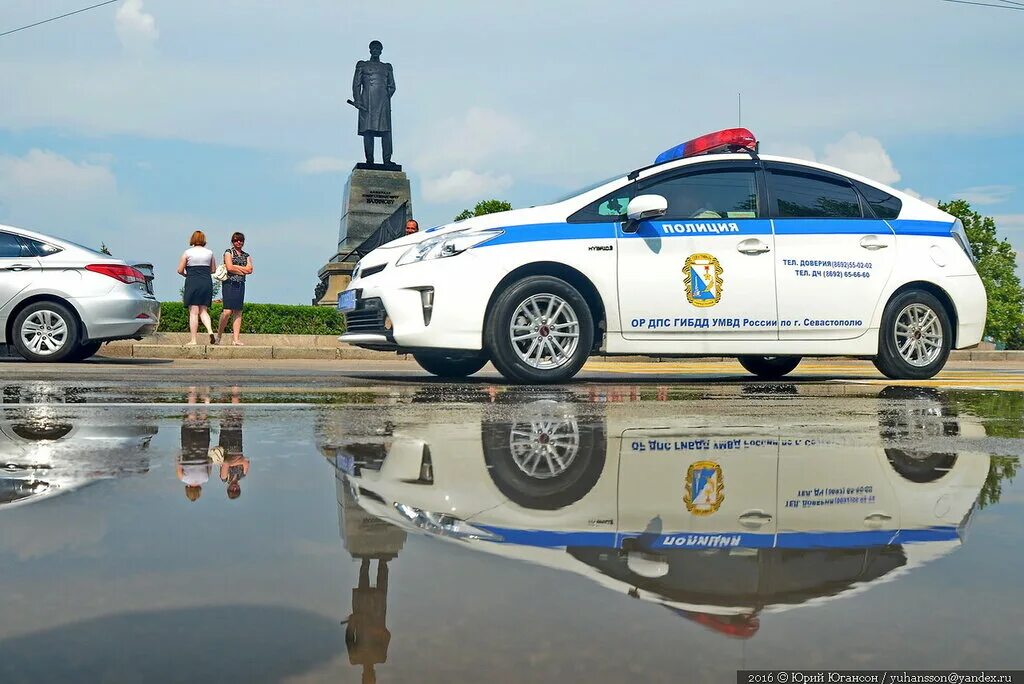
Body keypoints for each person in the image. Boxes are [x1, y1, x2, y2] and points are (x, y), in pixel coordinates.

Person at [352, 40, 396, 166]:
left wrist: (386, 99)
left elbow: (392, 86)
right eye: (374, 49)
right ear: (370, 50)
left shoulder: (387, 67)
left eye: (378, 49)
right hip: (367, 102)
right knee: (368, 131)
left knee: (386, 132)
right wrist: (358, 100)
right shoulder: (362, 65)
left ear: (381, 51)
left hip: (383, 103)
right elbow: (356, 84)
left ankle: (387, 160)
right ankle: (369, 160)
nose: (376, 51)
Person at [177, 230, 217, 346]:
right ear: (204, 240)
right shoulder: (209, 253)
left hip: (192, 281)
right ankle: (209, 330)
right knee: (203, 310)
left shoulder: (187, 253)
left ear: (192, 239)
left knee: (194, 312)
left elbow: (180, 270)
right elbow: (213, 270)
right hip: (206, 282)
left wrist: (187, 274)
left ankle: (194, 340)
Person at [216, 232, 253, 346]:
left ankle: (236, 339)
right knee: (227, 311)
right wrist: (242, 269)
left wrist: (236, 267)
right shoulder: (228, 252)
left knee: (238, 311)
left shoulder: (246, 255)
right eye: (236, 240)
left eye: (241, 240)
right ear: (233, 241)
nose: (239, 242)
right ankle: (219, 335)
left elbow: (250, 270)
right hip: (229, 283)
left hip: (241, 284)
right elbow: (229, 267)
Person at [218, 409, 249, 500]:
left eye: (232, 490)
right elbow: (246, 461)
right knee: (237, 418)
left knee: (225, 418)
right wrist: (235, 461)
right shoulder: (242, 475)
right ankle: (235, 396)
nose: (234, 488)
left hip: (225, 442)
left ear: (228, 488)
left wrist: (237, 461)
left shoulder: (224, 478)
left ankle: (223, 397)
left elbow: (226, 463)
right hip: (237, 442)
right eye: (237, 490)